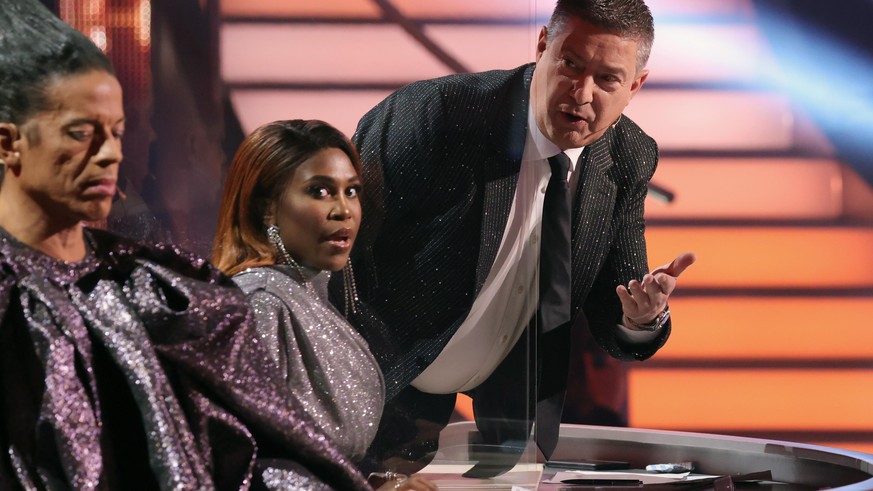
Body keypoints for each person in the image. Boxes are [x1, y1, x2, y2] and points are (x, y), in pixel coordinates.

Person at [0, 1, 370, 488]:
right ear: (9, 143)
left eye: (117, 132)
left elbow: (244, 455)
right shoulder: (20, 298)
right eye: (82, 134)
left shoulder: (160, 293)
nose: (111, 153)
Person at [330, 0, 697, 474]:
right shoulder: (436, 114)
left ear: (635, 86)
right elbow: (341, 259)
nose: (582, 94)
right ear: (543, 45)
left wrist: (643, 317)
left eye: (607, 79)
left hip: (508, 425)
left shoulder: (628, 154)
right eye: (570, 64)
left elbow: (618, 310)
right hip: (378, 395)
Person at [212, 120, 437, 491]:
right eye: (320, 191)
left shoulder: (309, 294)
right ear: (266, 209)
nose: (344, 210)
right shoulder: (261, 305)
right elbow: (250, 468)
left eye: (352, 191)